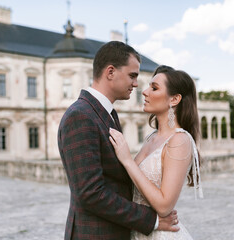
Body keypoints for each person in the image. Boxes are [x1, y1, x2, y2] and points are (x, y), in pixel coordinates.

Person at [58, 42, 179, 240]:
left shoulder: (106, 113)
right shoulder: (80, 116)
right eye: (132, 75)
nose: (136, 84)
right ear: (111, 72)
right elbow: (90, 193)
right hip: (95, 233)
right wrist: (153, 220)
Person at [109, 65, 203, 239]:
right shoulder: (151, 137)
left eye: (154, 88)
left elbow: (164, 206)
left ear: (174, 99)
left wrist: (127, 160)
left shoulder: (180, 140)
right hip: (138, 230)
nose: (144, 92)